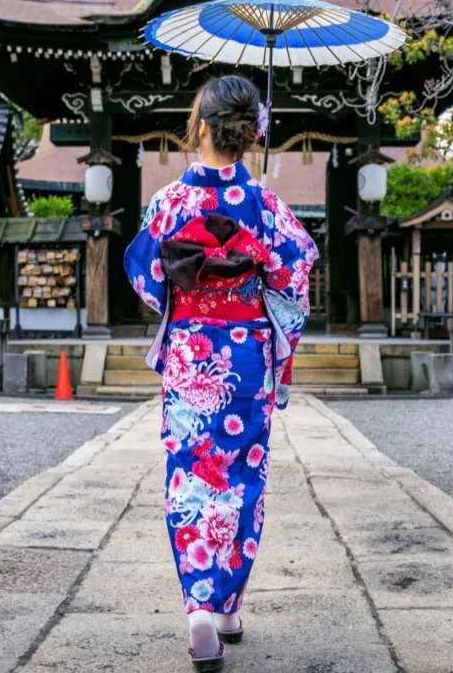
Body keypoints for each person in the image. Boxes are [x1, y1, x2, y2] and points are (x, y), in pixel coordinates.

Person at [123, 75, 318, 671]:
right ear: (248, 134)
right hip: (248, 357)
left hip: (190, 355)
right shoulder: (267, 207)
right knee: (241, 474)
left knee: (191, 471)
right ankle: (228, 603)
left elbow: (145, 276)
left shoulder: (169, 204)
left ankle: (201, 612)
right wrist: (255, 306)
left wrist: (189, 303)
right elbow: (296, 276)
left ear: (201, 127)